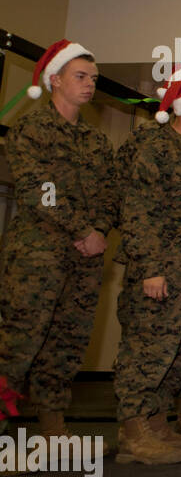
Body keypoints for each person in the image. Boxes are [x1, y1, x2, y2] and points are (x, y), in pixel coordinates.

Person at [0, 40, 116, 438]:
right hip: (38, 257)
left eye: (93, 79)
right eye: (80, 77)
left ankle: (53, 423)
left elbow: (109, 195)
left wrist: (98, 230)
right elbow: (38, 190)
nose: (89, 85)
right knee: (20, 340)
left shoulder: (97, 141)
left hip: (84, 260)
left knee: (68, 343)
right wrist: (84, 229)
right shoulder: (32, 129)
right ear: (55, 80)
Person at [112, 66, 181, 464]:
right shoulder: (153, 148)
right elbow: (137, 211)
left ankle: (157, 423)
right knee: (148, 347)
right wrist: (150, 269)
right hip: (161, 268)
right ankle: (133, 431)